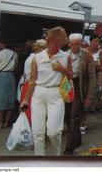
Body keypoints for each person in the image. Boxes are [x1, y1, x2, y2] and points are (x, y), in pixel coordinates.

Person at [20, 26, 73, 156]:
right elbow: (32, 80)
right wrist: (26, 99)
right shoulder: (37, 57)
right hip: (38, 94)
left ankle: (56, 155)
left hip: (56, 94)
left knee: (54, 132)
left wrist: (62, 69)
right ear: (48, 41)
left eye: (60, 43)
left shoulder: (66, 57)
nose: (57, 45)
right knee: (37, 133)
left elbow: (71, 76)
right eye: (54, 42)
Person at [63, 33, 97, 156]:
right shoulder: (64, 55)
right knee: (67, 117)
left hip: (80, 88)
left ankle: (69, 148)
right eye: (74, 44)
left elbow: (93, 77)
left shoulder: (87, 56)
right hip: (66, 87)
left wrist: (89, 96)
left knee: (74, 116)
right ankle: (77, 140)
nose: (77, 46)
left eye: (79, 44)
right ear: (69, 44)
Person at [17, 39, 47, 125]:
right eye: (45, 48)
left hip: (28, 84)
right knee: (30, 111)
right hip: (31, 86)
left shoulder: (32, 58)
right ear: (40, 49)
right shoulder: (35, 59)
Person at [0, 40, 18, 129]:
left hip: (1, 76)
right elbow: (16, 66)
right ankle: (6, 122)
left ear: (3, 43)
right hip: (11, 76)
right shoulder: (15, 54)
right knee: (10, 100)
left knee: (0, 99)